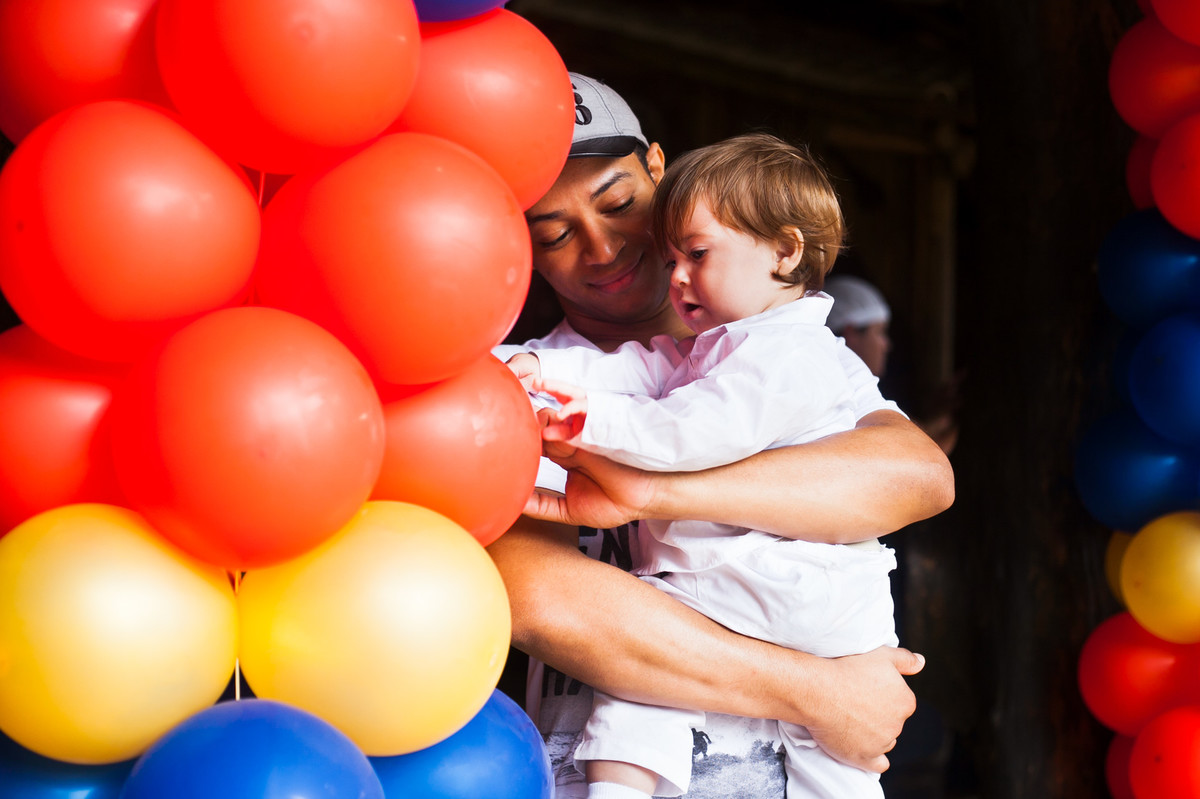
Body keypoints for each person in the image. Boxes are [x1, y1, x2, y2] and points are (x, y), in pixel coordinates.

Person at [489, 73, 954, 798]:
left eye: (620, 205)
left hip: (793, 765)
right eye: (553, 233)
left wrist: (648, 487)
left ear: (658, 172)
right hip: (616, 762)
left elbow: (917, 476)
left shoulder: (781, 348)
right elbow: (547, 600)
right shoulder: (526, 388)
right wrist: (824, 692)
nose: (605, 245)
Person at [824, 274, 959, 455]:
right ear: (851, 333)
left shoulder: (862, 388)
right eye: (880, 332)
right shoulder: (841, 386)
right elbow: (927, 449)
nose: (886, 345)